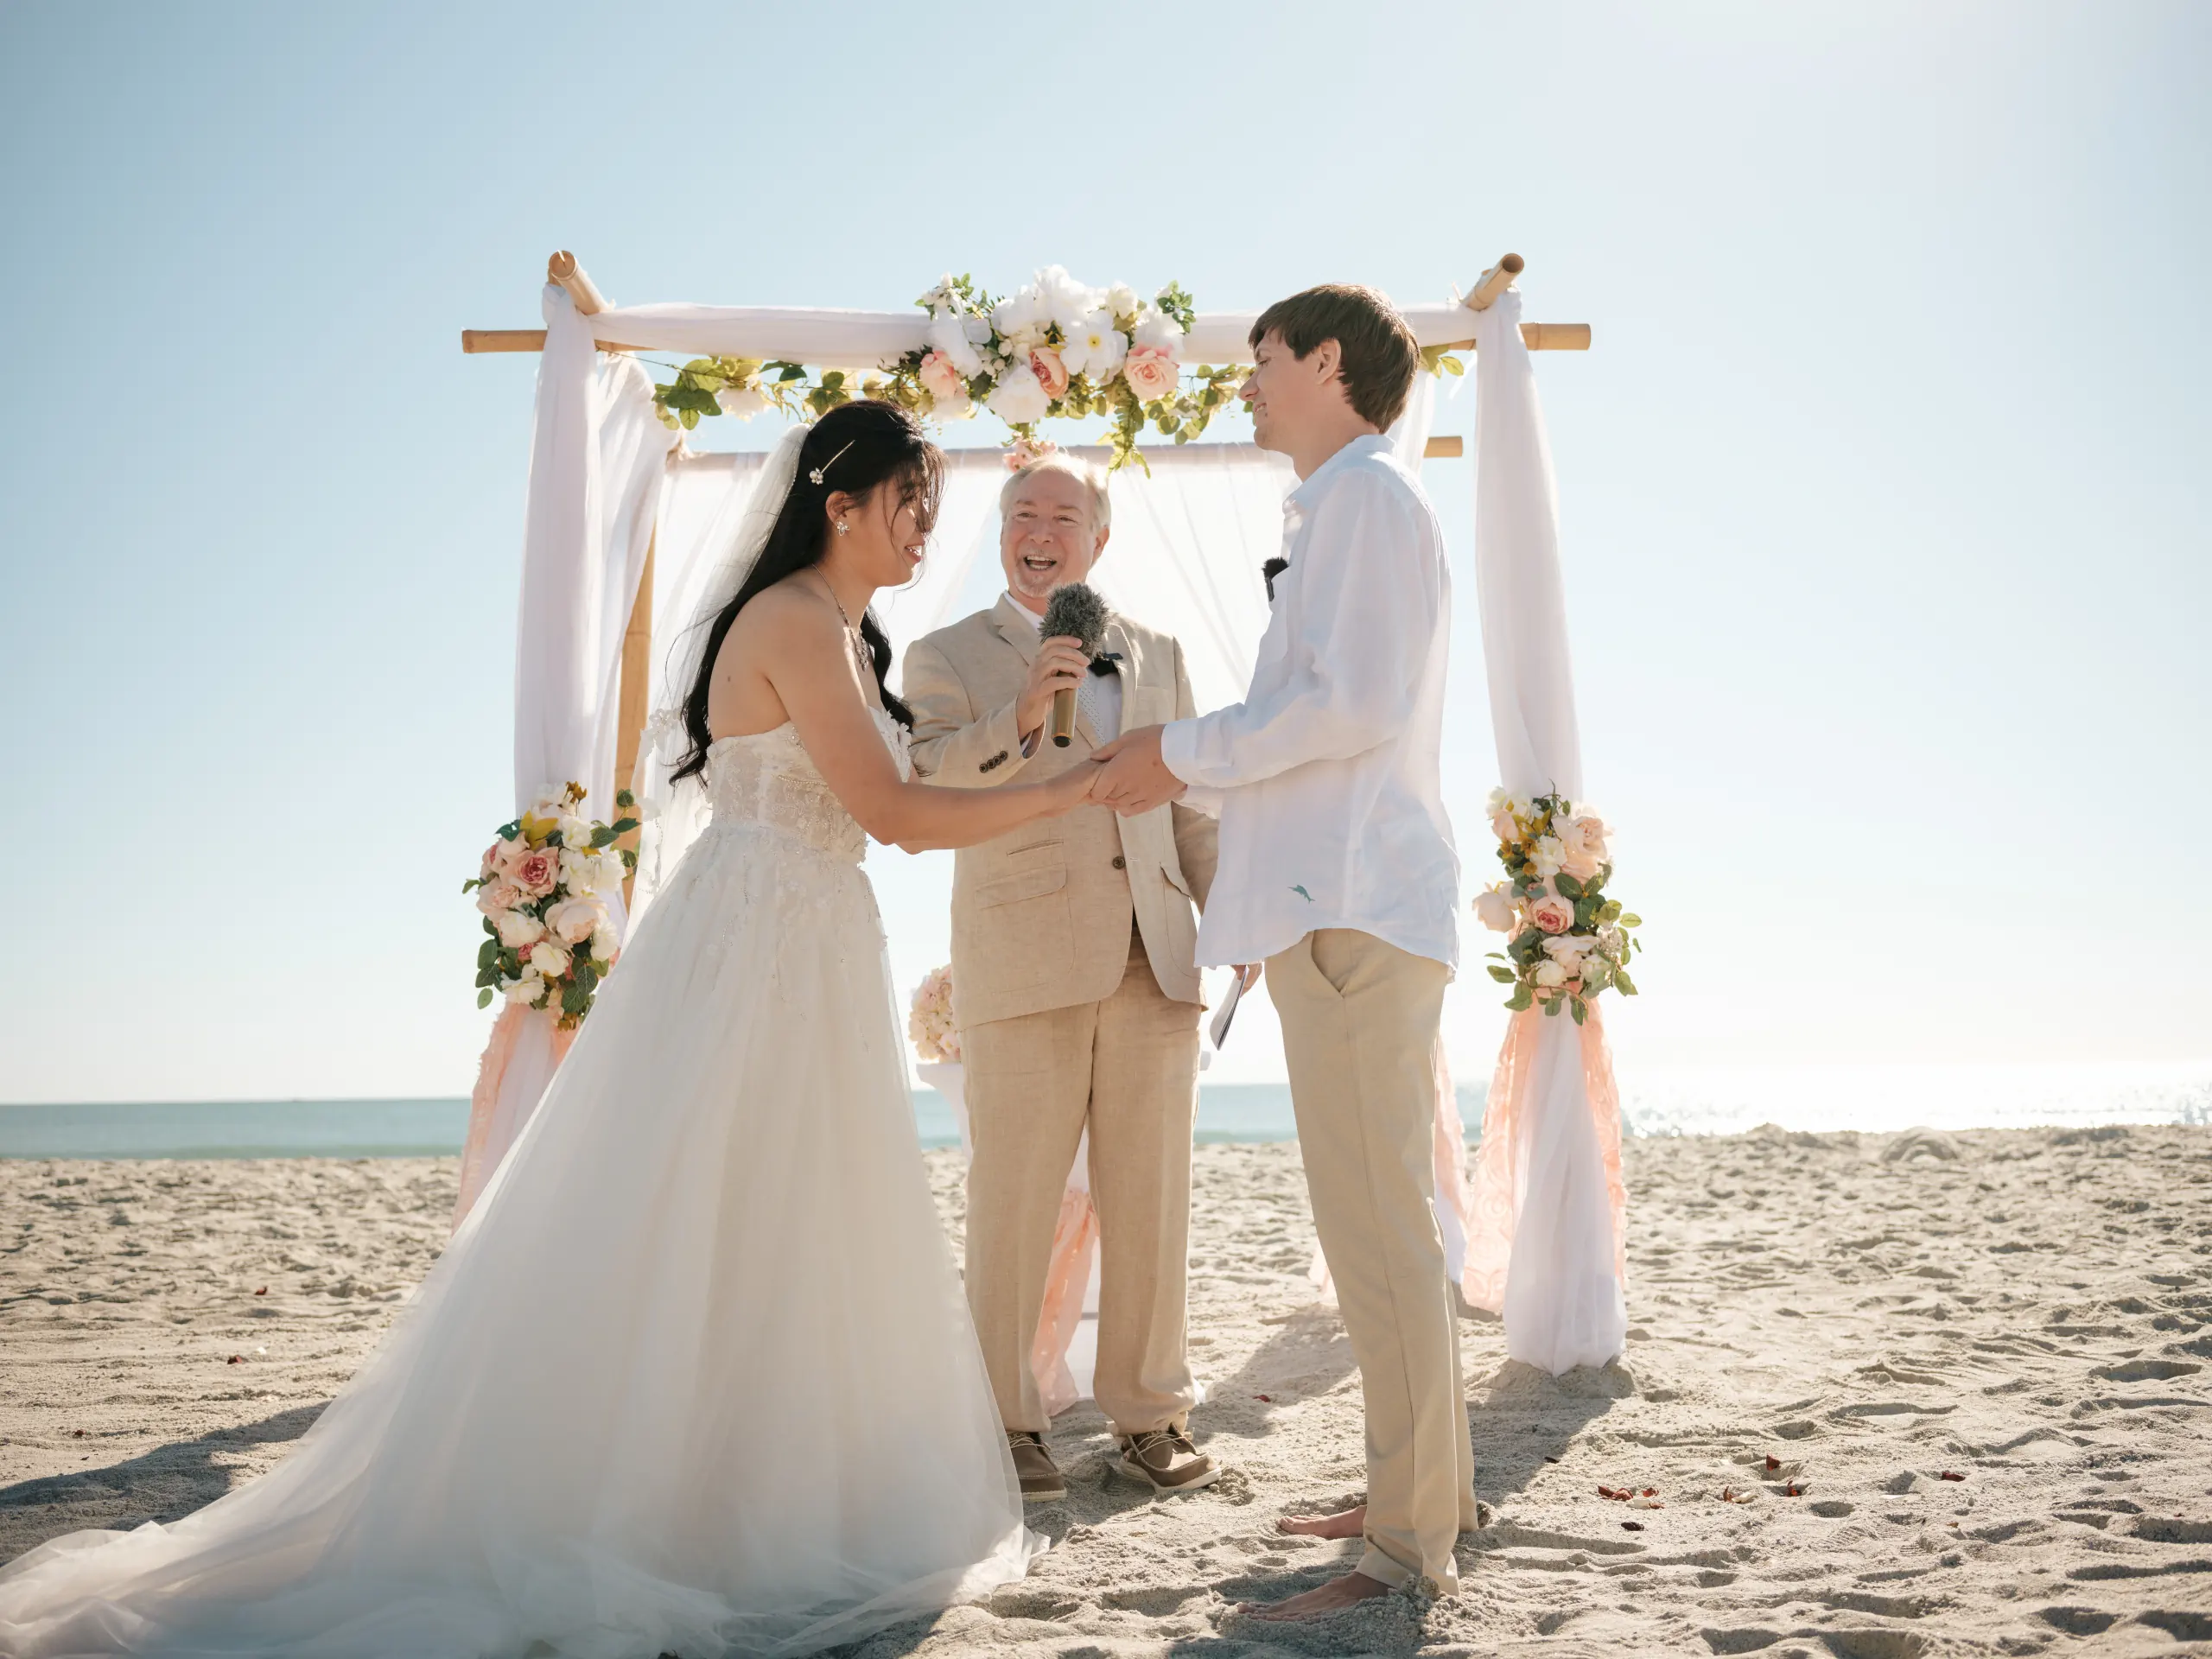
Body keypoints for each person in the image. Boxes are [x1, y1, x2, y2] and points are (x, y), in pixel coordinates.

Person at [0, 401, 1096, 1659]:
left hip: (806, 935)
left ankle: (749, 1487)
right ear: (839, 502)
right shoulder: (793, 618)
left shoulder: (845, 630)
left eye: (933, 506)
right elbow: (893, 813)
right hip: (759, 949)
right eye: (913, 501)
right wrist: (1070, 787)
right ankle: (668, 1503)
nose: (926, 528)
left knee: (785, 1219)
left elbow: (891, 793)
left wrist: (1022, 745)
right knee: (703, 1215)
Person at [1091, 288, 1478, 1618]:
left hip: (1359, 913)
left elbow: (1347, 709)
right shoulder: (1351, 509)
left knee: (1379, 1234)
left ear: (1327, 363)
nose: (1246, 385)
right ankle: (1417, 1496)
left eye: (1261, 362)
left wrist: (1174, 754)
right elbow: (1321, 728)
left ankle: (1406, 1548)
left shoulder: (1369, 502)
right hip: (1339, 905)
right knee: (1372, 1228)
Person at [899, 452, 1223, 1500]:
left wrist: (1235, 912)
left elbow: (1191, 801)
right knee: (1013, 1200)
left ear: (1099, 538)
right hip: (1022, 953)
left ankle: (1149, 1415)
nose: (1040, 529)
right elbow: (931, 775)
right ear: (1002, 533)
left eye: (1063, 514)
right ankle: (1002, 1423)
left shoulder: (1162, 653)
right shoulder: (942, 653)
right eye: (1021, 513)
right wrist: (1029, 708)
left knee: (1151, 1200)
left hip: (1154, 954)